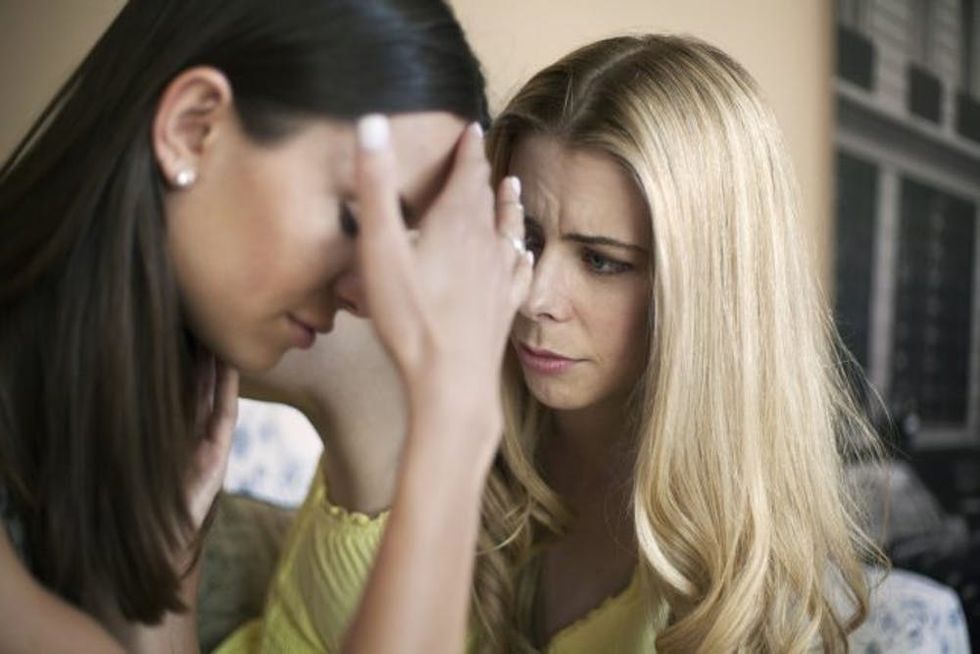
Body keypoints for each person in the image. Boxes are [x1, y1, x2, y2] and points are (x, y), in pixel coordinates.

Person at [227, 34, 884, 653]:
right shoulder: (384, 362)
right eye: (526, 238)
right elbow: (149, 300)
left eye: (600, 261)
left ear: (707, 298)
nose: (534, 298)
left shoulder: (741, 575)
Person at [0, 0, 532, 652]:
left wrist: (163, 591)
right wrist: (455, 414)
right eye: (356, 220)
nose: (372, 295)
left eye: (405, 237)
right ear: (194, 128)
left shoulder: (125, 417)